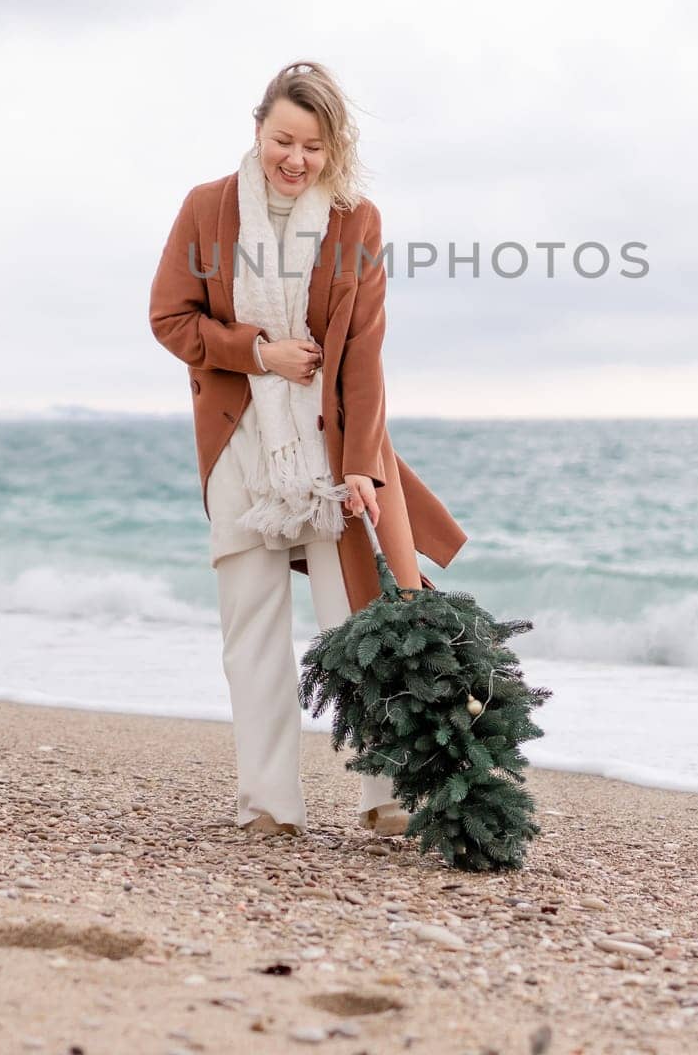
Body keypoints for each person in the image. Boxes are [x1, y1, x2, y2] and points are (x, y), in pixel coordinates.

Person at [149, 60, 468, 839]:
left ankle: (385, 796)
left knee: (358, 623)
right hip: (241, 448)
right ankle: (268, 807)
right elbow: (169, 318)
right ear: (258, 129)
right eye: (282, 140)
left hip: (329, 456)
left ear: (334, 150)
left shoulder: (356, 219)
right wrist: (258, 353)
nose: (295, 159)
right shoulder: (205, 209)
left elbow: (362, 351)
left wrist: (361, 463)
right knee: (251, 629)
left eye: (313, 147)